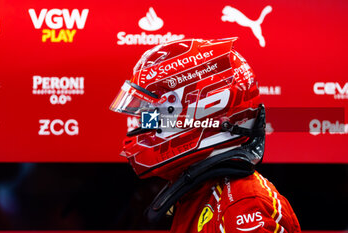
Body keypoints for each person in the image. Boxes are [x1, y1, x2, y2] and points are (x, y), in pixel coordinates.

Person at [110, 38, 301, 232]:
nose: (146, 123)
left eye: (154, 113)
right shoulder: (199, 191)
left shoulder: (244, 206)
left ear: (200, 111)